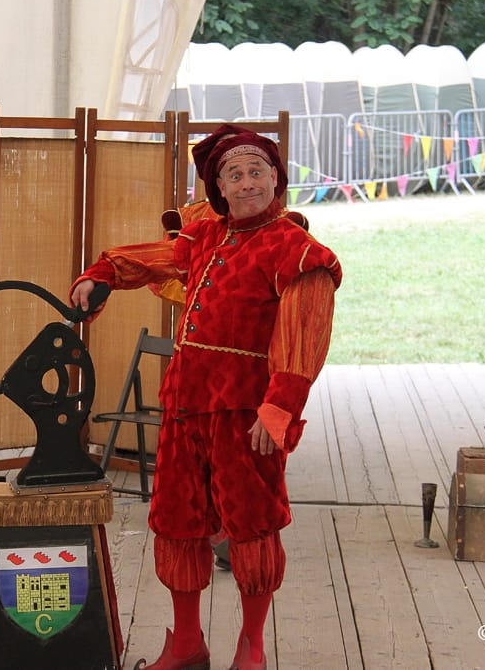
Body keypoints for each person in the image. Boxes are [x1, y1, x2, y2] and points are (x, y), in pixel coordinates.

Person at [70, 124, 342, 670]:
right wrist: (101, 273)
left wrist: (279, 406)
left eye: (257, 172)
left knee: (252, 524)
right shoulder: (206, 238)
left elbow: (304, 334)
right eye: (234, 175)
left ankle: (251, 647)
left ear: (276, 179)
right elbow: (150, 258)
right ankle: (188, 643)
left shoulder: (296, 251)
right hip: (186, 403)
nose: (247, 183)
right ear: (219, 188)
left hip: (245, 412)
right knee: (177, 519)